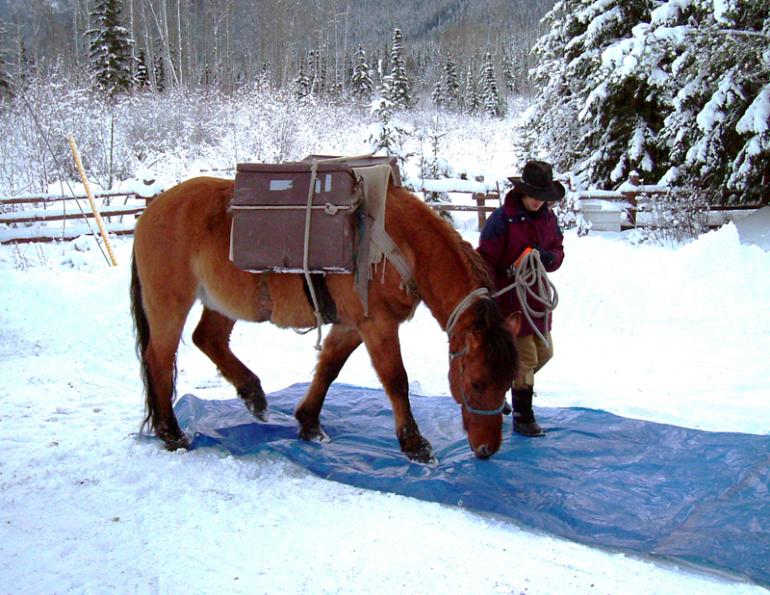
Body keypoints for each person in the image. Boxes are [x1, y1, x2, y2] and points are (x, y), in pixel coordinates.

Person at [477, 160, 565, 436]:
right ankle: (523, 417)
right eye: (535, 196)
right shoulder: (502, 220)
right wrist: (507, 272)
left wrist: (546, 257)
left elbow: (558, 251)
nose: (539, 202)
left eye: (543, 198)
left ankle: (498, 384)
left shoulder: (549, 220)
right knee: (525, 360)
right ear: (523, 192)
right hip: (511, 304)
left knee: (545, 353)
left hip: (537, 301)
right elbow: (485, 261)